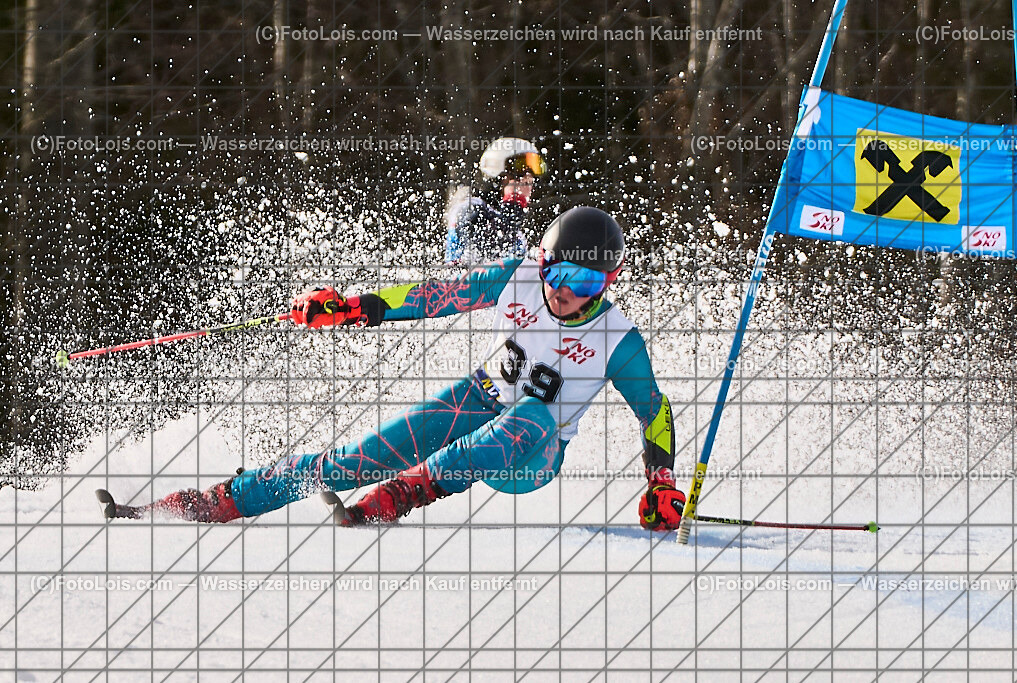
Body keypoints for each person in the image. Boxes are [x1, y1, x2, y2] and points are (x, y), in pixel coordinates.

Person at [97, 207, 686, 532]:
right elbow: (433, 295)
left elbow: (654, 410)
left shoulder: (618, 338)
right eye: (558, 275)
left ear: (605, 284)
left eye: (583, 284)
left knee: (533, 412)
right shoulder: (518, 278)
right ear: (543, 263)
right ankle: (221, 501)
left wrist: (661, 484)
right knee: (353, 459)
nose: (564, 293)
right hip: (477, 400)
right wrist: (354, 306)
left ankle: (404, 495)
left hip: (532, 455)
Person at [443, 137, 547, 265]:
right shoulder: (470, 207)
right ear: (498, 173)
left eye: (534, 166)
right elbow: (487, 251)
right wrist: (513, 205)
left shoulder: (514, 228)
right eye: (520, 167)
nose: (528, 178)